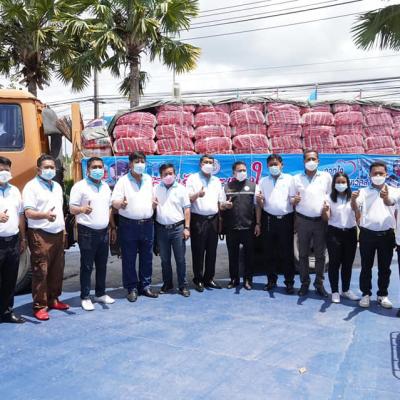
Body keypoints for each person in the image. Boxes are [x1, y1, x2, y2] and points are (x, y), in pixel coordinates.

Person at [23, 154, 69, 321]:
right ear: (38, 170)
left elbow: (59, 210)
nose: (50, 170)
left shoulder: (56, 186)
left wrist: (64, 230)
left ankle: (53, 299)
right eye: (46, 167)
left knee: (57, 269)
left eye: (52, 167)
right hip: (40, 234)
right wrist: (44, 215)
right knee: (41, 270)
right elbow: (28, 212)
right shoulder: (31, 187)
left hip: (58, 233)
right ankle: (39, 306)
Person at [69, 157, 117, 311]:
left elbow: (109, 208)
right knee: (87, 265)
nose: (98, 170)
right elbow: (71, 208)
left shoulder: (105, 186)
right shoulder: (80, 187)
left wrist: (112, 227)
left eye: (100, 167)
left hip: (104, 231)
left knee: (102, 265)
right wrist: (82, 209)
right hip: (87, 232)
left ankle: (100, 294)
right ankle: (85, 296)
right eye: (94, 167)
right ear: (88, 170)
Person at [111, 151, 158, 302]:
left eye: (142, 161)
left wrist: (154, 204)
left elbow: (153, 198)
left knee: (147, 256)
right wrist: (121, 203)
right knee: (129, 257)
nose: (140, 164)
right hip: (128, 225)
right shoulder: (123, 181)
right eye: (137, 161)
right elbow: (114, 202)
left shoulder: (149, 179)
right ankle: (131, 288)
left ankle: (145, 286)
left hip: (147, 224)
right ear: (130, 164)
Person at [353, 161, 396, 309]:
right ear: (370, 175)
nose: (378, 176)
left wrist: (386, 197)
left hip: (387, 235)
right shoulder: (363, 192)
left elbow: (390, 202)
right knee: (366, 266)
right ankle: (365, 294)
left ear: (386, 174)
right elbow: (355, 206)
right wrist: (353, 200)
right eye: (375, 173)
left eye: (380, 173)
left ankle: (382, 295)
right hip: (367, 234)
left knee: (385, 268)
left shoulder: (394, 191)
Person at [291, 149, 332, 297]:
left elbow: (330, 196)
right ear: (303, 161)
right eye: (308, 159)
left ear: (318, 161)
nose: (311, 162)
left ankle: (319, 284)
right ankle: (304, 283)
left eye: (313, 159)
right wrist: (294, 200)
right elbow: (291, 198)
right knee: (303, 254)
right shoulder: (296, 179)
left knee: (320, 255)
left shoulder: (326, 177)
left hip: (320, 221)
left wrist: (327, 210)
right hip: (303, 221)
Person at [256, 154, 296, 294]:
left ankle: (289, 282)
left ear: (281, 165)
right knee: (269, 252)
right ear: (267, 166)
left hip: (286, 219)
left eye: (276, 164)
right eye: (271, 165)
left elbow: (293, 200)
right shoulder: (263, 181)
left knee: (287, 253)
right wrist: (258, 221)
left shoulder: (290, 179)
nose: (274, 167)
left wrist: (296, 201)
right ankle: (271, 281)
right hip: (269, 219)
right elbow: (260, 204)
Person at [186, 155, 225, 292]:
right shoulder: (193, 178)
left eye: (210, 162)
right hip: (198, 220)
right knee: (198, 250)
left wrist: (225, 206)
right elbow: (188, 199)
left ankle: (209, 278)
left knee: (212, 251)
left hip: (213, 219)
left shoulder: (217, 181)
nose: (208, 164)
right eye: (206, 162)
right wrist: (198, 194)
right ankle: (198, 279)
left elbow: (220, 201)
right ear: (200, 164)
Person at [322, 172, 360, 304]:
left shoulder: (353, 197)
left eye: (343, 182)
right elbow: (326, 218)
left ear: (348, 183)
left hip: (350, 233)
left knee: (347, 263)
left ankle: (346, 290)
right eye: (338, 182)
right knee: (334, 263)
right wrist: (324, 210)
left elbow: (358, 216)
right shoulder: (328, 198)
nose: (341, 184)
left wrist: (354, 202)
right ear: (334, 184)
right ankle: (335, 291)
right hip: (334, 233)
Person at [154, 163, 191, 297]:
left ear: (175, 174)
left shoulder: (181, 189)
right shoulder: (155, 188)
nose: (168, 176)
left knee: (180, 259)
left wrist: (187, 228)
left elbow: (187, 209)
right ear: (160, 176)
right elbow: (153, 206)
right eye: (165, 174)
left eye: (170, 173)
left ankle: (183, 285)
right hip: (161, 229)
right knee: (165, 260)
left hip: (178, 229)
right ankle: (167, 283)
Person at [221, 161, 258, 290]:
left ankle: (248, 280)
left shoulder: (253, 186)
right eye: (239, 170)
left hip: (248, 227)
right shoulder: (227, 187)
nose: (242, 172)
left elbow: (257, 206)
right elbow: (221, 205)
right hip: (232, 228)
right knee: (233, 255)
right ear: (233, 173)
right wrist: (225, 205)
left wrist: (258, 223)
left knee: (249, 256)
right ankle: (234, 279)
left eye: (244, 170)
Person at [0, 156, 26, 323]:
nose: (4, 173)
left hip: (13, 241)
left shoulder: (15, 191)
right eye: (1, 170)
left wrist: (23, 238)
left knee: (10, 280)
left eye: (6, 170)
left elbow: (20, 215)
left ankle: (7, 312)